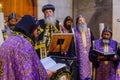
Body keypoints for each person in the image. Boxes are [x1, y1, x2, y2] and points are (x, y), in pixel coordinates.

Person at [0, 15, 55, 80]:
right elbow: (27, 75)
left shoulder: (8, 40)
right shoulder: (24, 45)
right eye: (37, 30)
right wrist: (46, 75)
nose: (38, 33)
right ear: (30, 28)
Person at [74, 15, 94, 80]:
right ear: (77, 23)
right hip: (79, 58)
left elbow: (93, 42)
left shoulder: (88, 31)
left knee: (89, 74)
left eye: (83, 20)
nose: (82, 22)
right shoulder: (74, 31)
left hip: (88, 57)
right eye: (80, 20)